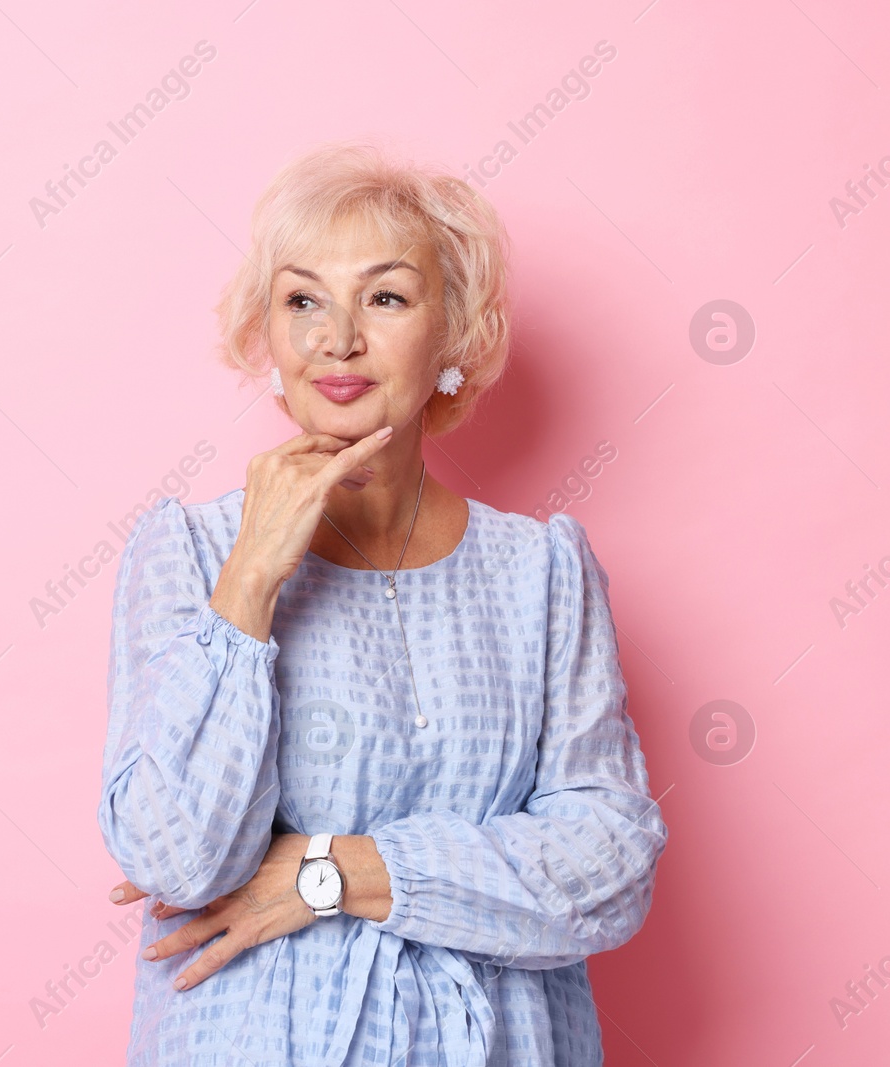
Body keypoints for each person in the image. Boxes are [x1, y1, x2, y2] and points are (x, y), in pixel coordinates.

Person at [96, 139, 668, 1066]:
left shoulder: (543, 573)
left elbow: (608, 864)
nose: (339, 338)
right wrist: (250, 579)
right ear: (269, 335)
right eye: (303, 299)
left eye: (387, 296)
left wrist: (331, 873)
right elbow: (174, 858)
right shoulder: (190, 550)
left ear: (454, 332)